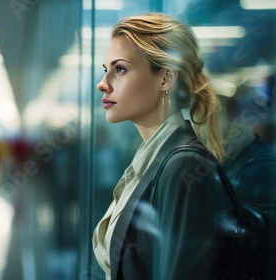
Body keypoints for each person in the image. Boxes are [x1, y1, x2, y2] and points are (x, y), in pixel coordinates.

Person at [92, 13, 225, 279]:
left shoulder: (182, 167)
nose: (102, 84)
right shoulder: (152, 159)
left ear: (165, 79)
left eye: (119, 69)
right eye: (105, 70)